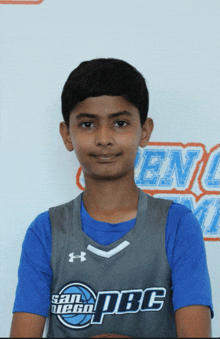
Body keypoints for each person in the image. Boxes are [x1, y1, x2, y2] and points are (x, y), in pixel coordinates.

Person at [10, 58, 214, 338]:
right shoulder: (46, 231)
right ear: (66, 135)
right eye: (87, 124)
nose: (104, 138)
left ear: (144, 130)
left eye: (119, 123)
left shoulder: (177, 225)